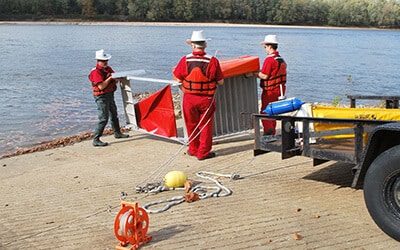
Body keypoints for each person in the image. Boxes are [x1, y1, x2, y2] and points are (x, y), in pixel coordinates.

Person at [173, 30, 224, 160]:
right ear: (205, 45)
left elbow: (178, 78)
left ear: (192, 45)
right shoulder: (212, 60)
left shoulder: (185, 59)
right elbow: (220, 81)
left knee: (191, 124)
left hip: (189, 98)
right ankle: (203, 153)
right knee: (205, 126)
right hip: (206, 99)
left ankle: (193, 149)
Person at [88, 49, 129, 147]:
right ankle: (96, 139)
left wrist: (117, 78)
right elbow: (101, 86)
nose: (106, 62)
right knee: (103, 118)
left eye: (106, 60)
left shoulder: (108, 69)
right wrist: (110, 78)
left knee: (114, 114)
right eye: (103, 61)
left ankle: (117, 133)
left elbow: (115, 79)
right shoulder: (95, 72)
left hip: (110, 94)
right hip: (101, 97)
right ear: (98, 61)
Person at [254, 35, 287, 136]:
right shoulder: (281, 59)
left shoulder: (269, 60)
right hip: (280, 90)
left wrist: (254, 74)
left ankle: (269, 130)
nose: (265, 49)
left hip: (270, 90)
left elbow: (264, 76)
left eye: (265, 47)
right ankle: (272, 130)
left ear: (269, 46)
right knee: (273, 111)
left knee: (264, 111)